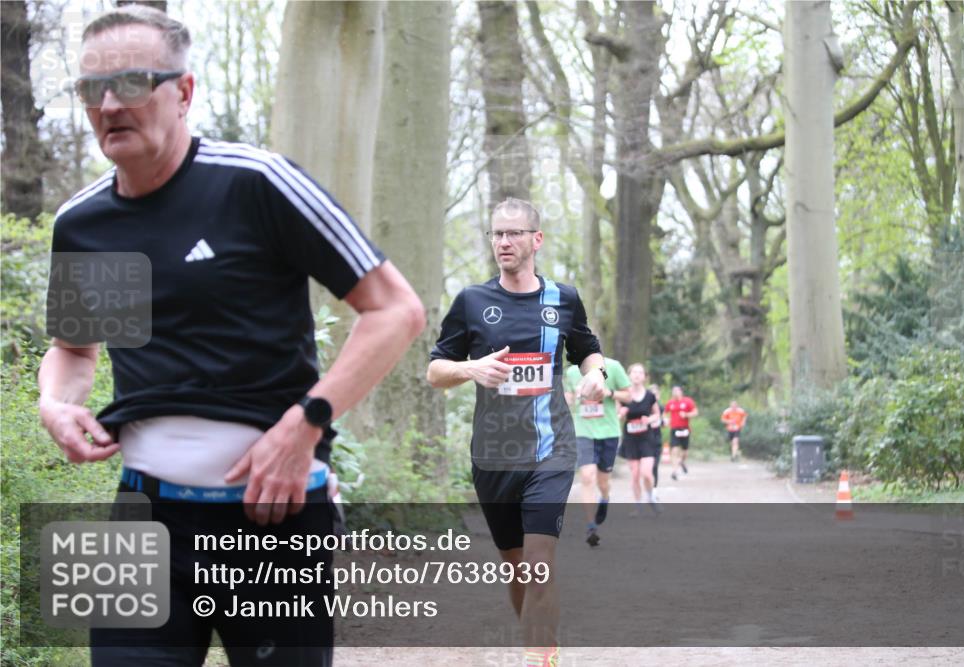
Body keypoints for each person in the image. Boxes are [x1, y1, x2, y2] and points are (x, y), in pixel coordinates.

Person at [38, 6, 424, 666]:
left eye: (132, 83)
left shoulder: (256, 184)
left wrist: (305, 426)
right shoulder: (87, 223)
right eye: (91, 89)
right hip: (141, 514)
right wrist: (54, 402)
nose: (109, 105)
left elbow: (395, 310)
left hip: (272, 518)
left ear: (183, 91)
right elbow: (76, 349)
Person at [427, 197, 605, 667]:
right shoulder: (472, 301)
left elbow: (588, 350)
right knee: (516, 566)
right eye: (496, 234)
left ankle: (537, 658)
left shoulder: (563, 299)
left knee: (539, 561)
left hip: (551, 449)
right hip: (493, 455)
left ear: (536, 239)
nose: (503, 242)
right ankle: (542, 645)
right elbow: (435, 371)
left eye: (513, 233)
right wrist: (471, 368)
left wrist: (597, 374)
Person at [564, 358, 630, 546]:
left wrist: (609, 393)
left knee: (603, 482)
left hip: (609, 432)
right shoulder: (572, 372)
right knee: (587, 477)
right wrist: (570, 397)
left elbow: (629, 396)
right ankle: (591, 526)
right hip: (583, 432)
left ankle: (605, 498)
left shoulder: (614, 366)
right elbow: (568, 398)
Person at [616, 363, 661, 515]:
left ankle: (651, 497)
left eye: (640, 372)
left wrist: (649, 420)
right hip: (630, 439)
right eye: (634, 372)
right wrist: (621, 413)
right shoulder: (624, 396)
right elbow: (616, 416)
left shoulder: (650, 396)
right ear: (629, 375)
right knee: (635, 474)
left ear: (644, 377)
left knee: (647, 473)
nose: (636, 375)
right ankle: (637, 506)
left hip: (646, 438)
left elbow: (657, 414)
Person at [665, 385, 699, 481]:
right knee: (674, 450)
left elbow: (695, 412)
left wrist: (686, 414)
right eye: (673, 391)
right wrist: (666, 419)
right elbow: (664, 413)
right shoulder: (670, 403)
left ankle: (681, 461)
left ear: (681, 392)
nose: (675, 393)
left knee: (685, 452)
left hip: (685, 429)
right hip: (674, 429)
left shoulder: (687, 401)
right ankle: (674, 471)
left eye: (677, 391)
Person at [647, 384, 666, 491]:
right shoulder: (643, 407)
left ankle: (654, 490)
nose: (654, 396)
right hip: (644, 440)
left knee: (654, 466)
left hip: (656, 439)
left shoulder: (661, 408)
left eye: (656, 394)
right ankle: (647, 488)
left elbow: (662, 422)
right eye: (652, 394)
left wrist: (663, 421)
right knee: (645, 468)